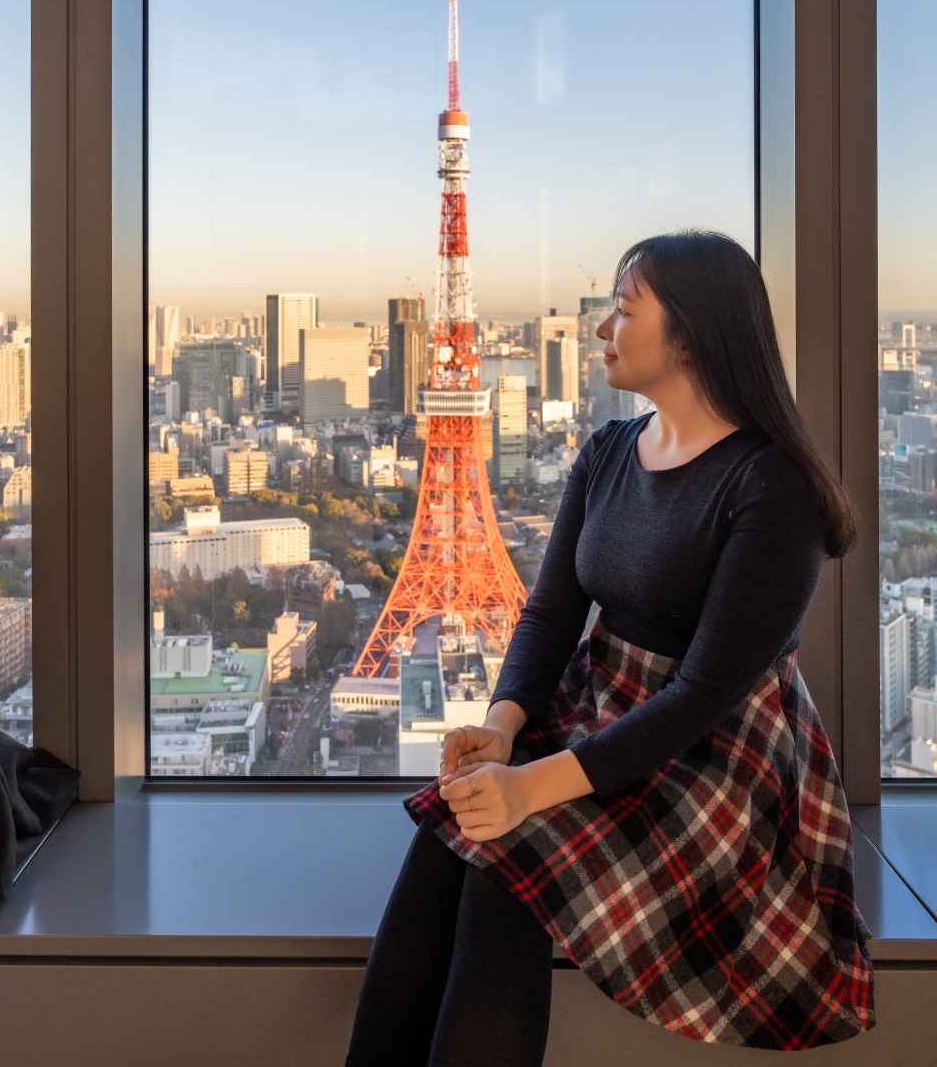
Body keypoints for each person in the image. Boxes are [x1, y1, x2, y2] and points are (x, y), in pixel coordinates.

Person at [345, 231, 875, 1067]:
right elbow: (553, 613)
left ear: (693, 333)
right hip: (596, 710)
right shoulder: (608, 452)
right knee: (446, 832)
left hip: (714, 757)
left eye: (623, 312)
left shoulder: (773, 489)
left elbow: (703, 695)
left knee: (502, 871)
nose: (600, 331)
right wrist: (506, 727)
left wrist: (529, 790)